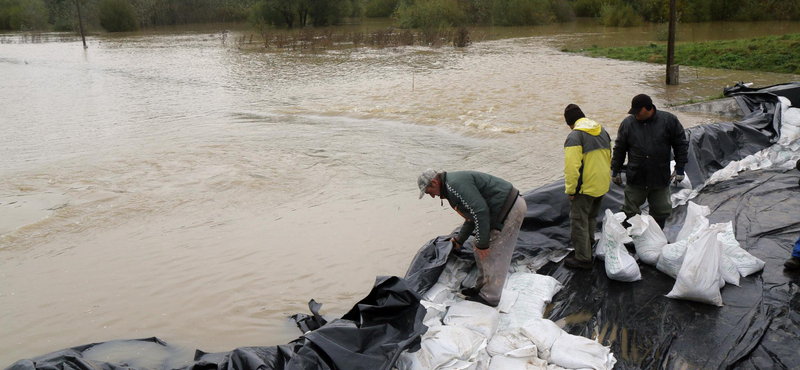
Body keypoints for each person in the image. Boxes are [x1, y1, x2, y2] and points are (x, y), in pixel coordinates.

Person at [418, 169, 526, 307]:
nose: (432, 196)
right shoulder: (451, 187)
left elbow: (480, 211)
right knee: (479, 248)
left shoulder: (454, 185)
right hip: (501, 210)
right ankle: (481, 289)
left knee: (492, 252)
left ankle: (490, 297)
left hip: (509, 209)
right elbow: (471, 216)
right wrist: (459, 240)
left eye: (429, 192)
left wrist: (483, 243)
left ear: (434, 182)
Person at [611, 94, 689, 229]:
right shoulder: (628, 124)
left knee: (661, 210)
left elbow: (680, 145)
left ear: (648, 108)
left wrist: (680, 168)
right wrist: (615, 170)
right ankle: (632, 237)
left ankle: (656, 237)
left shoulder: (668, 121)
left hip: (659, 176)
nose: (635, 115)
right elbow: (619, 149)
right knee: (630, 210)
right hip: (636, 176)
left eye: (638, 111)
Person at [562, 104, 612, 270]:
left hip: (585, 187)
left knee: (578, 221)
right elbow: (609, 157)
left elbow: (572, 167)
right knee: (591, 216)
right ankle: (589, 245)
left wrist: (571, 190)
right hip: (602, 183)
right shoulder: (602, 131)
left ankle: (583, 258)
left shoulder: (575, 136)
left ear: (570, 123)